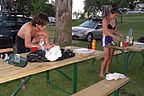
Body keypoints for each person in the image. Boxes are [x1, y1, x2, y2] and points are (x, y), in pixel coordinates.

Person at [15, 13, 55, 89]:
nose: (45, 27)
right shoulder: (28, 27)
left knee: (44, 34)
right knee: (22, 60)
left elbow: (46, 40)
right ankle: (22, 80)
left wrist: (49, 46)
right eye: (43, 25)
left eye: (46, 25)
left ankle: (38, 54)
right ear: (37, 25)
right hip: (21, 40)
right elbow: (27, 44)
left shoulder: (39, 28)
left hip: (31, 38)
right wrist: (42, 46)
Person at [99, 8, 124, 78]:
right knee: (106, 57)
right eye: (114, 15)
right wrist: (114, 36)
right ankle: (101, 73)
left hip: (111, 39)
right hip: (106, 38)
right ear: (111, 13)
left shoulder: (113, 21)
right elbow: (106, 31)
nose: (115, 17)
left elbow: (115, 30)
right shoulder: (105, 20)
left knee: (110, 56)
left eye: (116, 16)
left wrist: (120, 34)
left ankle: (107, 71)